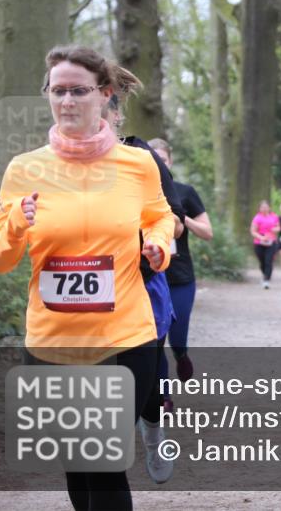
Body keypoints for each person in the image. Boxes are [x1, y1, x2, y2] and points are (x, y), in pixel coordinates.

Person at [0, 44, 175, 510]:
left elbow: (160, 216)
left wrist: (158, 245)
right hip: (54, 340)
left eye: (78, 91)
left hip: (126, 336)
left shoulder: (138, 163)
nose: (66, 101)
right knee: (79, 462)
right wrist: (17, 222)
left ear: (105, 95)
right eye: (57, 91)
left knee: (103, 461)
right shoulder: (25, 169)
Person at [105, 74, 185, 485]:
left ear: (116, 116)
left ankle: (152, 433)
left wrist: (156, 242)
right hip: (80, 297)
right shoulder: (52, 163)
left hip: (140, 284)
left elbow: (175, 220)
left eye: (104, 110)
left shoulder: (141, 157)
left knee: (148, 382)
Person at [147, 139, 212, 385]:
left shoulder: (184, 192)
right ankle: (162, 396)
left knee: (177, 336)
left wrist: (183, 219)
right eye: (153, 158)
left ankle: (181, 354)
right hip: (150, 275)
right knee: (155, 338)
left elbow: (208, 233)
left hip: (180, 277)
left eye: (162, 159)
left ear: (170, 162)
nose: (158, 163)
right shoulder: (136, 192)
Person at [250, 200, 279, 289]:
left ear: (269, 208)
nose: (265, 209)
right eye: (262, 207)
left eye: (266, 207)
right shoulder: (257, 218)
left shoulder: (274, 216)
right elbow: (253, 231)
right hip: (259, 242)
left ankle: (266, 280)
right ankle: (265, 275)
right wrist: (261, 237)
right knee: (262, 262)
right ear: (259, 208)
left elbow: (278, 227)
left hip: (271, 241)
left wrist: (275, 229)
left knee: (268, 261)